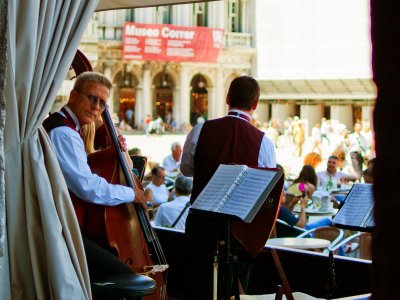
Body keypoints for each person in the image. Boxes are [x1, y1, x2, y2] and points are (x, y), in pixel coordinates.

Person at [42, 71, 145, 282]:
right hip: (64, 230)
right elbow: (88, 187)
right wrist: (131, 193)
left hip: (65, 225)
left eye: (102, 103)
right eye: (92, 98)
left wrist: (111, 151)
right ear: (73, 96)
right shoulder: (65, 133)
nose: (97, 107)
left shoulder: (67, 127)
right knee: (126, 277)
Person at [180, 75, 276, 300]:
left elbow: (186, 169)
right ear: (255, 105)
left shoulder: (200, 130)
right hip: (239, 232)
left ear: (227, 98)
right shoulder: (264, 142)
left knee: (198, 286)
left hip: (201, 224)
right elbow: (265, 189)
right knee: (235, 291)